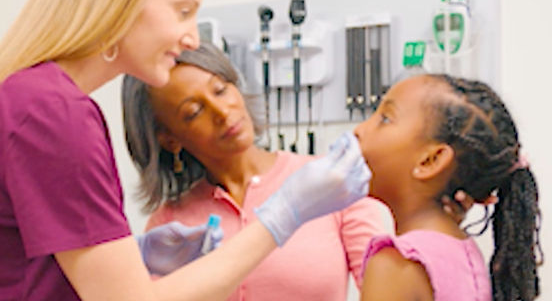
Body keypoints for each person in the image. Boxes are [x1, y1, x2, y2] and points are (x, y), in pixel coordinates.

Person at [0, 0, 370, 300]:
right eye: (183, 11)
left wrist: (133, 259)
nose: (191, 38)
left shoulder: (26, 98)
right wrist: (283, 217)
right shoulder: (53, 114)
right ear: (119, 2)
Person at [121, 45, 388, 300]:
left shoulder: (329, 184)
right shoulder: (170, 225)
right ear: (169, 139)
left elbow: (391, 289)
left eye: (220, 90)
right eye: (194, 112)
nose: (223, 112)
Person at [354, 74, 542, 301]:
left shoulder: (396, 264)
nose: (359, 130)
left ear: (430, 161)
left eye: (385, 119)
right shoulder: (461, 249)